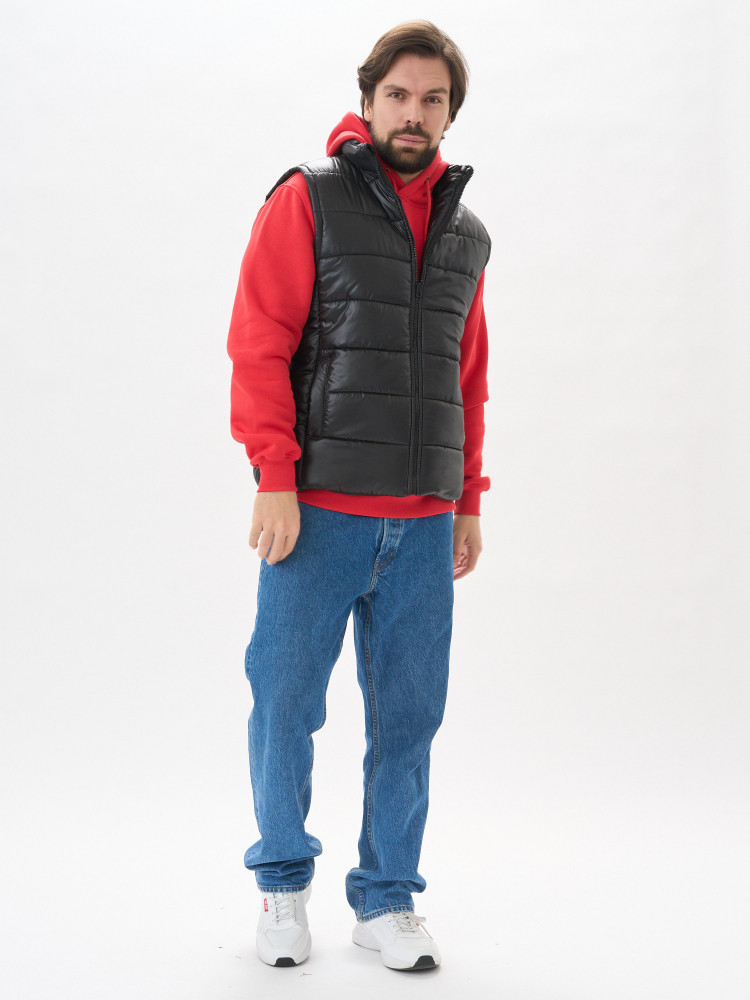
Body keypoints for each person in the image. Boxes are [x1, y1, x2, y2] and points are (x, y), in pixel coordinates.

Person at [226, 20, 491, 972]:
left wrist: (468, 498)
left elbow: (468, 377)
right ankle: (282, 884)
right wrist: (273, 475)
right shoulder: (308, 199)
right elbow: (259, 340)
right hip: (319, 513)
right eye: (399, 96)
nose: (413, 114)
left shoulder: (467, 235)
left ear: (449, 115)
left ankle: (387, 899)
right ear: (369, 99)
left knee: (410, 720)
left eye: (432, 100)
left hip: (423, 526)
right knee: (286, 702)